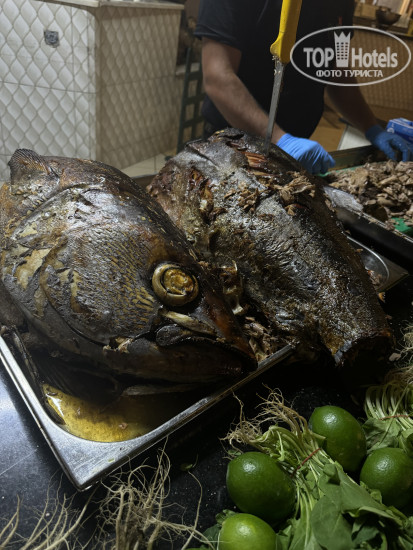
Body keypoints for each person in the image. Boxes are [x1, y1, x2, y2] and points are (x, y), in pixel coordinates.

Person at [194, 0, 413, 173]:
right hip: (232, 148)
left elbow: (338, 72)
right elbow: (218, 77)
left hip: (296, 150)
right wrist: (280, 140)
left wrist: (372, 128)